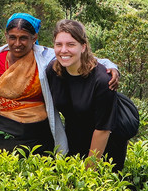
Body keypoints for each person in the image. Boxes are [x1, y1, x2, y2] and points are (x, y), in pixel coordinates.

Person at [0, 13, 119, 159]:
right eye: (13, 37)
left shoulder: (46, 59)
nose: (17, 43)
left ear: (34, 38)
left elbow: (85, 58)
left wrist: (111, 67)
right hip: (2, 129)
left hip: (37, 133)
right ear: (6, 36)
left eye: (23, 38)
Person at [46, 19, 128, 170]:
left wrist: (89, 170)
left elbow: (103, 129)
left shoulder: (102, 81)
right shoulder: (53, 71)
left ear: (83, 47)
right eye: (59, 44)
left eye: (71, 44)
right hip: (73, 145)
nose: (64, 50)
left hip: (105, 150)